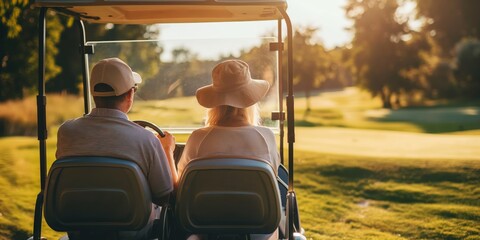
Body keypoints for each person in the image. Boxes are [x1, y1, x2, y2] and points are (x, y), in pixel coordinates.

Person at [56, 57, 177, 239]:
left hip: (80, 229)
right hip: (132, 232)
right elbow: (164, 195)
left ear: (94, 94)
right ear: (130, 95)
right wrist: (167, 150)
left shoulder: (66, 131)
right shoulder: (145, 139)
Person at [177, 59, 281, 240]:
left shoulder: (198, 138)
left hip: (205, 228)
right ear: (250, 100)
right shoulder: (266, 137)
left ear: (215, 103)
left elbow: (180, 187)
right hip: (256, 229)